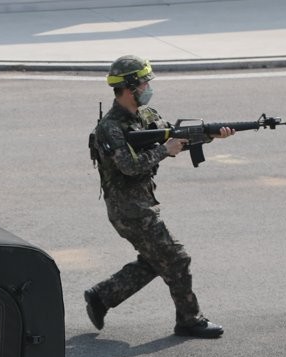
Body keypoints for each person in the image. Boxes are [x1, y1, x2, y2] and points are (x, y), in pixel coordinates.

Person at [85, 55, 233, 339]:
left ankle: (101, 297)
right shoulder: (110, 128)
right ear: (129, 87)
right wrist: (165, 150)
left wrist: (212, 135)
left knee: (157, 259)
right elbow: (128, 167)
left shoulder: (146, 116)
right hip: (127, 210)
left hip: (142, 205)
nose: (148, 86)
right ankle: (189, 320)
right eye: (144, 82)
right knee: (176, 259)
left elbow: (176, 138)